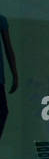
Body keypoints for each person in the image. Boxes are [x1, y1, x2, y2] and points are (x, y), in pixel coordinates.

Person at [0, 14, 16, 142]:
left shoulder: (1, 19)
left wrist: (15, 74)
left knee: (3, 112)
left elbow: (8, 49)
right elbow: (8, 49)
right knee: (2, 111)